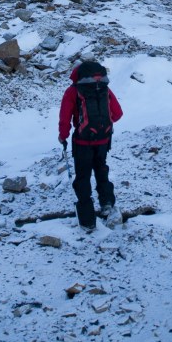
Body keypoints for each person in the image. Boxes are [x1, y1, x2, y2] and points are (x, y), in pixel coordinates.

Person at [58, 59, 123, 231]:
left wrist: (62, 136)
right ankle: (107, 202)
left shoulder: (73, 91)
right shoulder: (104, 88)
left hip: (82, 141)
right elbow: (117, 114)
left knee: (83, 176)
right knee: (101, 169)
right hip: (103, 139)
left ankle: (87, 220)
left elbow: (65, 119)